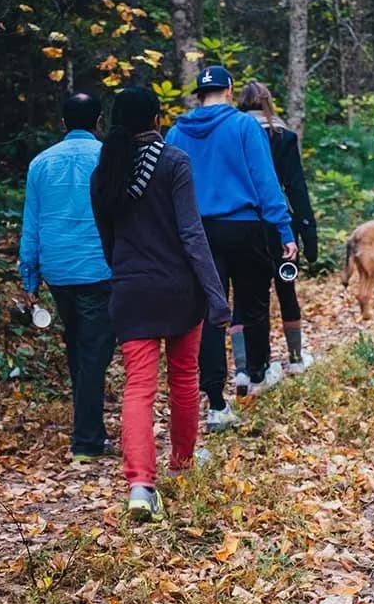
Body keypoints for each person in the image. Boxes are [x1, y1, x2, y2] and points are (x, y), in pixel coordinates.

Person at [91, 86, 230, 522]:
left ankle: (140, 485)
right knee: (184, 379)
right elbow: (192, 233)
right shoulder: (173, 162)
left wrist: (127, 274)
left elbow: (108, 241)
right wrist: (215, 293)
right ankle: (183, 465)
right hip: (178, 291)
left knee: (138, 388)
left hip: (131, 291)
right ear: (156, 120)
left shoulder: (104, 172)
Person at [166, 65, 297, 432]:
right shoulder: (244, 126)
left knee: (211, 311)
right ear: (228, 91)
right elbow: (265, 180)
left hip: (197, 231)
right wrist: (283, 228)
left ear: (198, 94)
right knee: (252, 303)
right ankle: (255, 373)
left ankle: (215, 402)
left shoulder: (177, 132)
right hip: (244, 226)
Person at [18, 93, 116, 462]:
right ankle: (87, 440)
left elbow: (32, 224)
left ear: (63, 123)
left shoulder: (40, 164)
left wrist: (29, 277)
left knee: (78, 344)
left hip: (58, 270)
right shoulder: (108, 158)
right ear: (98, 121)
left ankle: (87, 424)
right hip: (99, 267)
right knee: (93, 351)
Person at [232, 82, 318, 377]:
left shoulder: (233, 135)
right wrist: (308, 229)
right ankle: (295, 358)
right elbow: (295, 186)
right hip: (280, 225)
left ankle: (244, 367)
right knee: (286, 289)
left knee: (244, 296)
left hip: (243, 223)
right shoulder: (284, 136)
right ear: (269, 102)